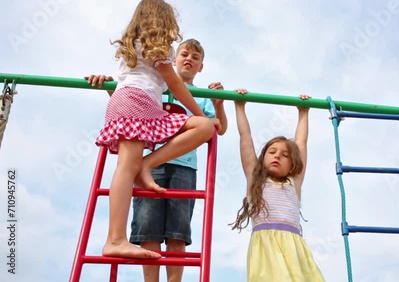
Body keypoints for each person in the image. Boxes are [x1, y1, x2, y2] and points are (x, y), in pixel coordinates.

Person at [93, 0, 218, 260]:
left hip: (145, 108)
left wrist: (200, 116)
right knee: (126, 168)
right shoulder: (157, 47)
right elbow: (174, 82)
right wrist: (196, 110)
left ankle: (146, 164)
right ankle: (115, 239)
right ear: (163, 21)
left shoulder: (135, 45)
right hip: (137, 104)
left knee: (205, 126)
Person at [230, 93, 326, 282]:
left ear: (293, 164)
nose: (277, 157)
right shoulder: (255, 180)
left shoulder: (294, 182)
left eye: (284, 155)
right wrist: (240, 107)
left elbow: (301, 143)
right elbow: (245, 138)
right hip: (265, 247)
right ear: (263, 157)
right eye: (272, 152)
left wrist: (303, 112)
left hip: (293, 245)